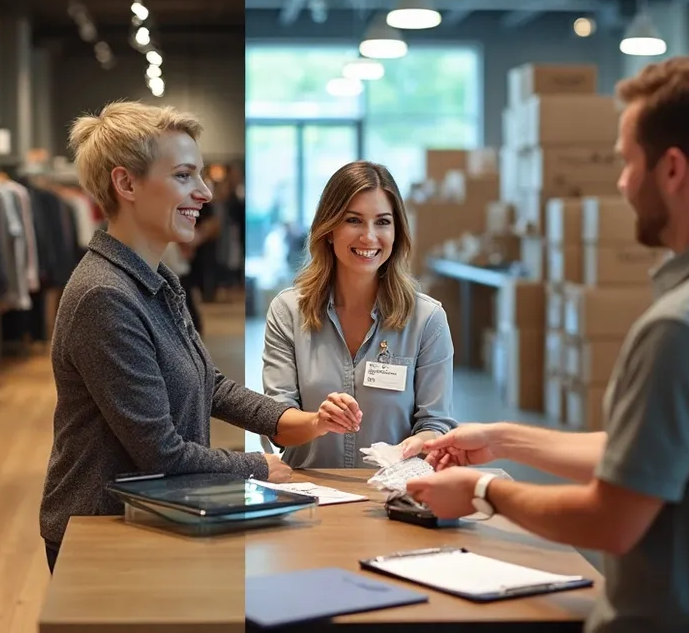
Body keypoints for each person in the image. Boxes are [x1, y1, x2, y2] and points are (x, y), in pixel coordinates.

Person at [405, 56, 689, 632]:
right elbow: (660, 454)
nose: (622, 181)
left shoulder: (685, 325)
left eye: (628, 161)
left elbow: (611, 520)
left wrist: (482, 492)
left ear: (673, 169)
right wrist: (501, 438)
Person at [39, 101, 327, 573]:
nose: (205, 192)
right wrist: (257, 469)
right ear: (126, 183)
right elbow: (161, 452)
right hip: (103, 536)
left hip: (150, 517)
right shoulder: (104, 296)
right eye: (184, 176)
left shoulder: (156, 278)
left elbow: (207, 383)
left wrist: (289, 419)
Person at [261, 161, 457, 469]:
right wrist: (317, 421)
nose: (369, 237)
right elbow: (277, 422)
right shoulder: (288, 312)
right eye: (353, 220)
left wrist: (415, 444)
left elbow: (435, 424)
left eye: (382, 222)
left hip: (389, 497)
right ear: (328, 229)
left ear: (397, 232)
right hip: (310, 497)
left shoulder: (427, 320)